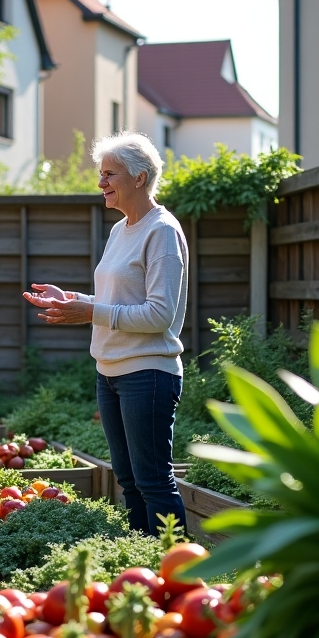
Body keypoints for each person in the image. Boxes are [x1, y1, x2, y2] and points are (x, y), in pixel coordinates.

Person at [23, 131, 188, 536]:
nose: (101, 183)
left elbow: (159, 314)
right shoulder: (120, 230)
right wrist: (74, 298)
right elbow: (119, 296)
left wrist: (90, 312)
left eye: (109, 174)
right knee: (128, 481)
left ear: (139, 177)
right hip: (110, 372)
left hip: (148, 374)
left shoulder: (162, 231)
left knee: (152, 481)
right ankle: (138, 566)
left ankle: (176, 572)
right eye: (101, 174)